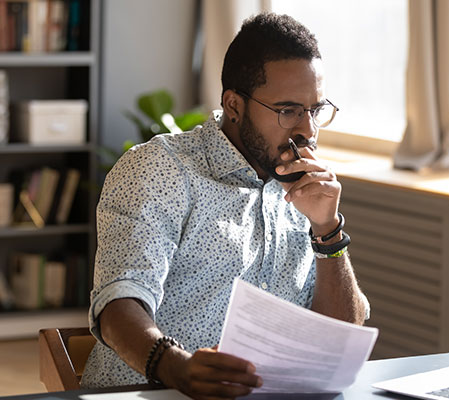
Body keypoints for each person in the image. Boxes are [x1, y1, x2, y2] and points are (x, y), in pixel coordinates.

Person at [81, 12, 369, 399]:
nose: (307, 131)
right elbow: (118, 302)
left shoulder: (306, 190)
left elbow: (340, 341)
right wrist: (176, 368)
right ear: (234, 105)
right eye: (288, 111)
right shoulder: (161, 169)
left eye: (314, 110)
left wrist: (327, 230)